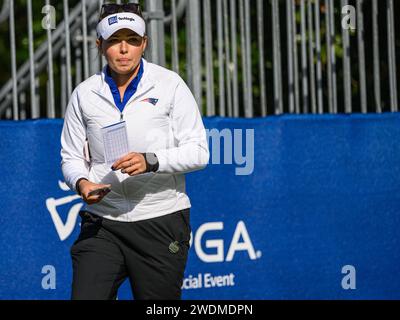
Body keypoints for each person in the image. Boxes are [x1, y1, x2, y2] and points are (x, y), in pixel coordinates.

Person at [60, 2, 209, 300]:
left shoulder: (170, 85)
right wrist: (81, 183)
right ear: (100, 45)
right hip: (103, 222)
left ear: (145, 44)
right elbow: (71, 157)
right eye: (115, 41)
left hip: (161, 220)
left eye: (132, 40)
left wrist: (151, 161)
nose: (124, 49)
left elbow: (199, 152)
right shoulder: (84, 93)